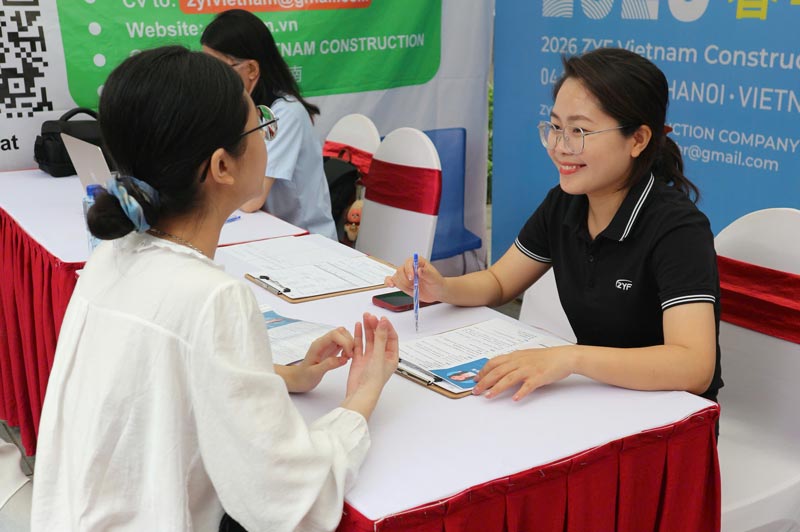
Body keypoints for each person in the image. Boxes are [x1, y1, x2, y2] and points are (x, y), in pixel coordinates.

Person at [31, 46, 399, 532]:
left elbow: (170, 373)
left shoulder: (110, 256)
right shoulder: (212, 298)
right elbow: (284, 501)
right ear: (222, 167)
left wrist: (284, 376)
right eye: (259, 123)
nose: (270, 132)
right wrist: (361, 400)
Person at [388, 48, 722, 406]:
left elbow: (693, 365)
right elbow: (500, 282)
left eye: (579, 131)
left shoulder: (677, 228)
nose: (560, 146)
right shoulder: (565, 203)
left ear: (637, 140)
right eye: (556, 127)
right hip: (597, 399)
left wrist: (571, 358)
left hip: (669, 419)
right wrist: (443, 288)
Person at [201, 9, 338, 240]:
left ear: (252, 69)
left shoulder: (285, 114)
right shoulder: (234, 107)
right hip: (260, 231)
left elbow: (252, 198)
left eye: (219, 68)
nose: (210, 78)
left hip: (305, 239)